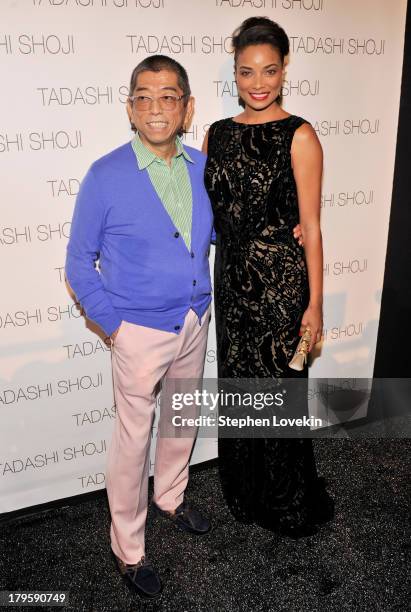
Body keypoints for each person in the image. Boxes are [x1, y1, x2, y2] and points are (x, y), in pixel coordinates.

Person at [65, 55, 213, 599]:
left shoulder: (203, 168)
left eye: (169, 96)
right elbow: (80, 264)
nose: (157, 107)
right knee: (132, 440)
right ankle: (128, 548)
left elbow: (219, 236)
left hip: (195, 319)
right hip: (137, 332)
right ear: (130, 107)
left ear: (187, 106)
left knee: (181, 414)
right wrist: (114, 328)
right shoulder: (105, 176)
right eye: (145, 97)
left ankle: (171, 496)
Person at [203, 17, 334, 537]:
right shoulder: (217, 135)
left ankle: (284, 499)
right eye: (246, 72)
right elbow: (214, 216)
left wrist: (315, 304)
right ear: (235, 74)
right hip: (231, 282)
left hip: (281, 285)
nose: (258, 83)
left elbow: (314, 227)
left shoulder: (300, 135)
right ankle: (245, 491)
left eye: (269, 71)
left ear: (284, 70)